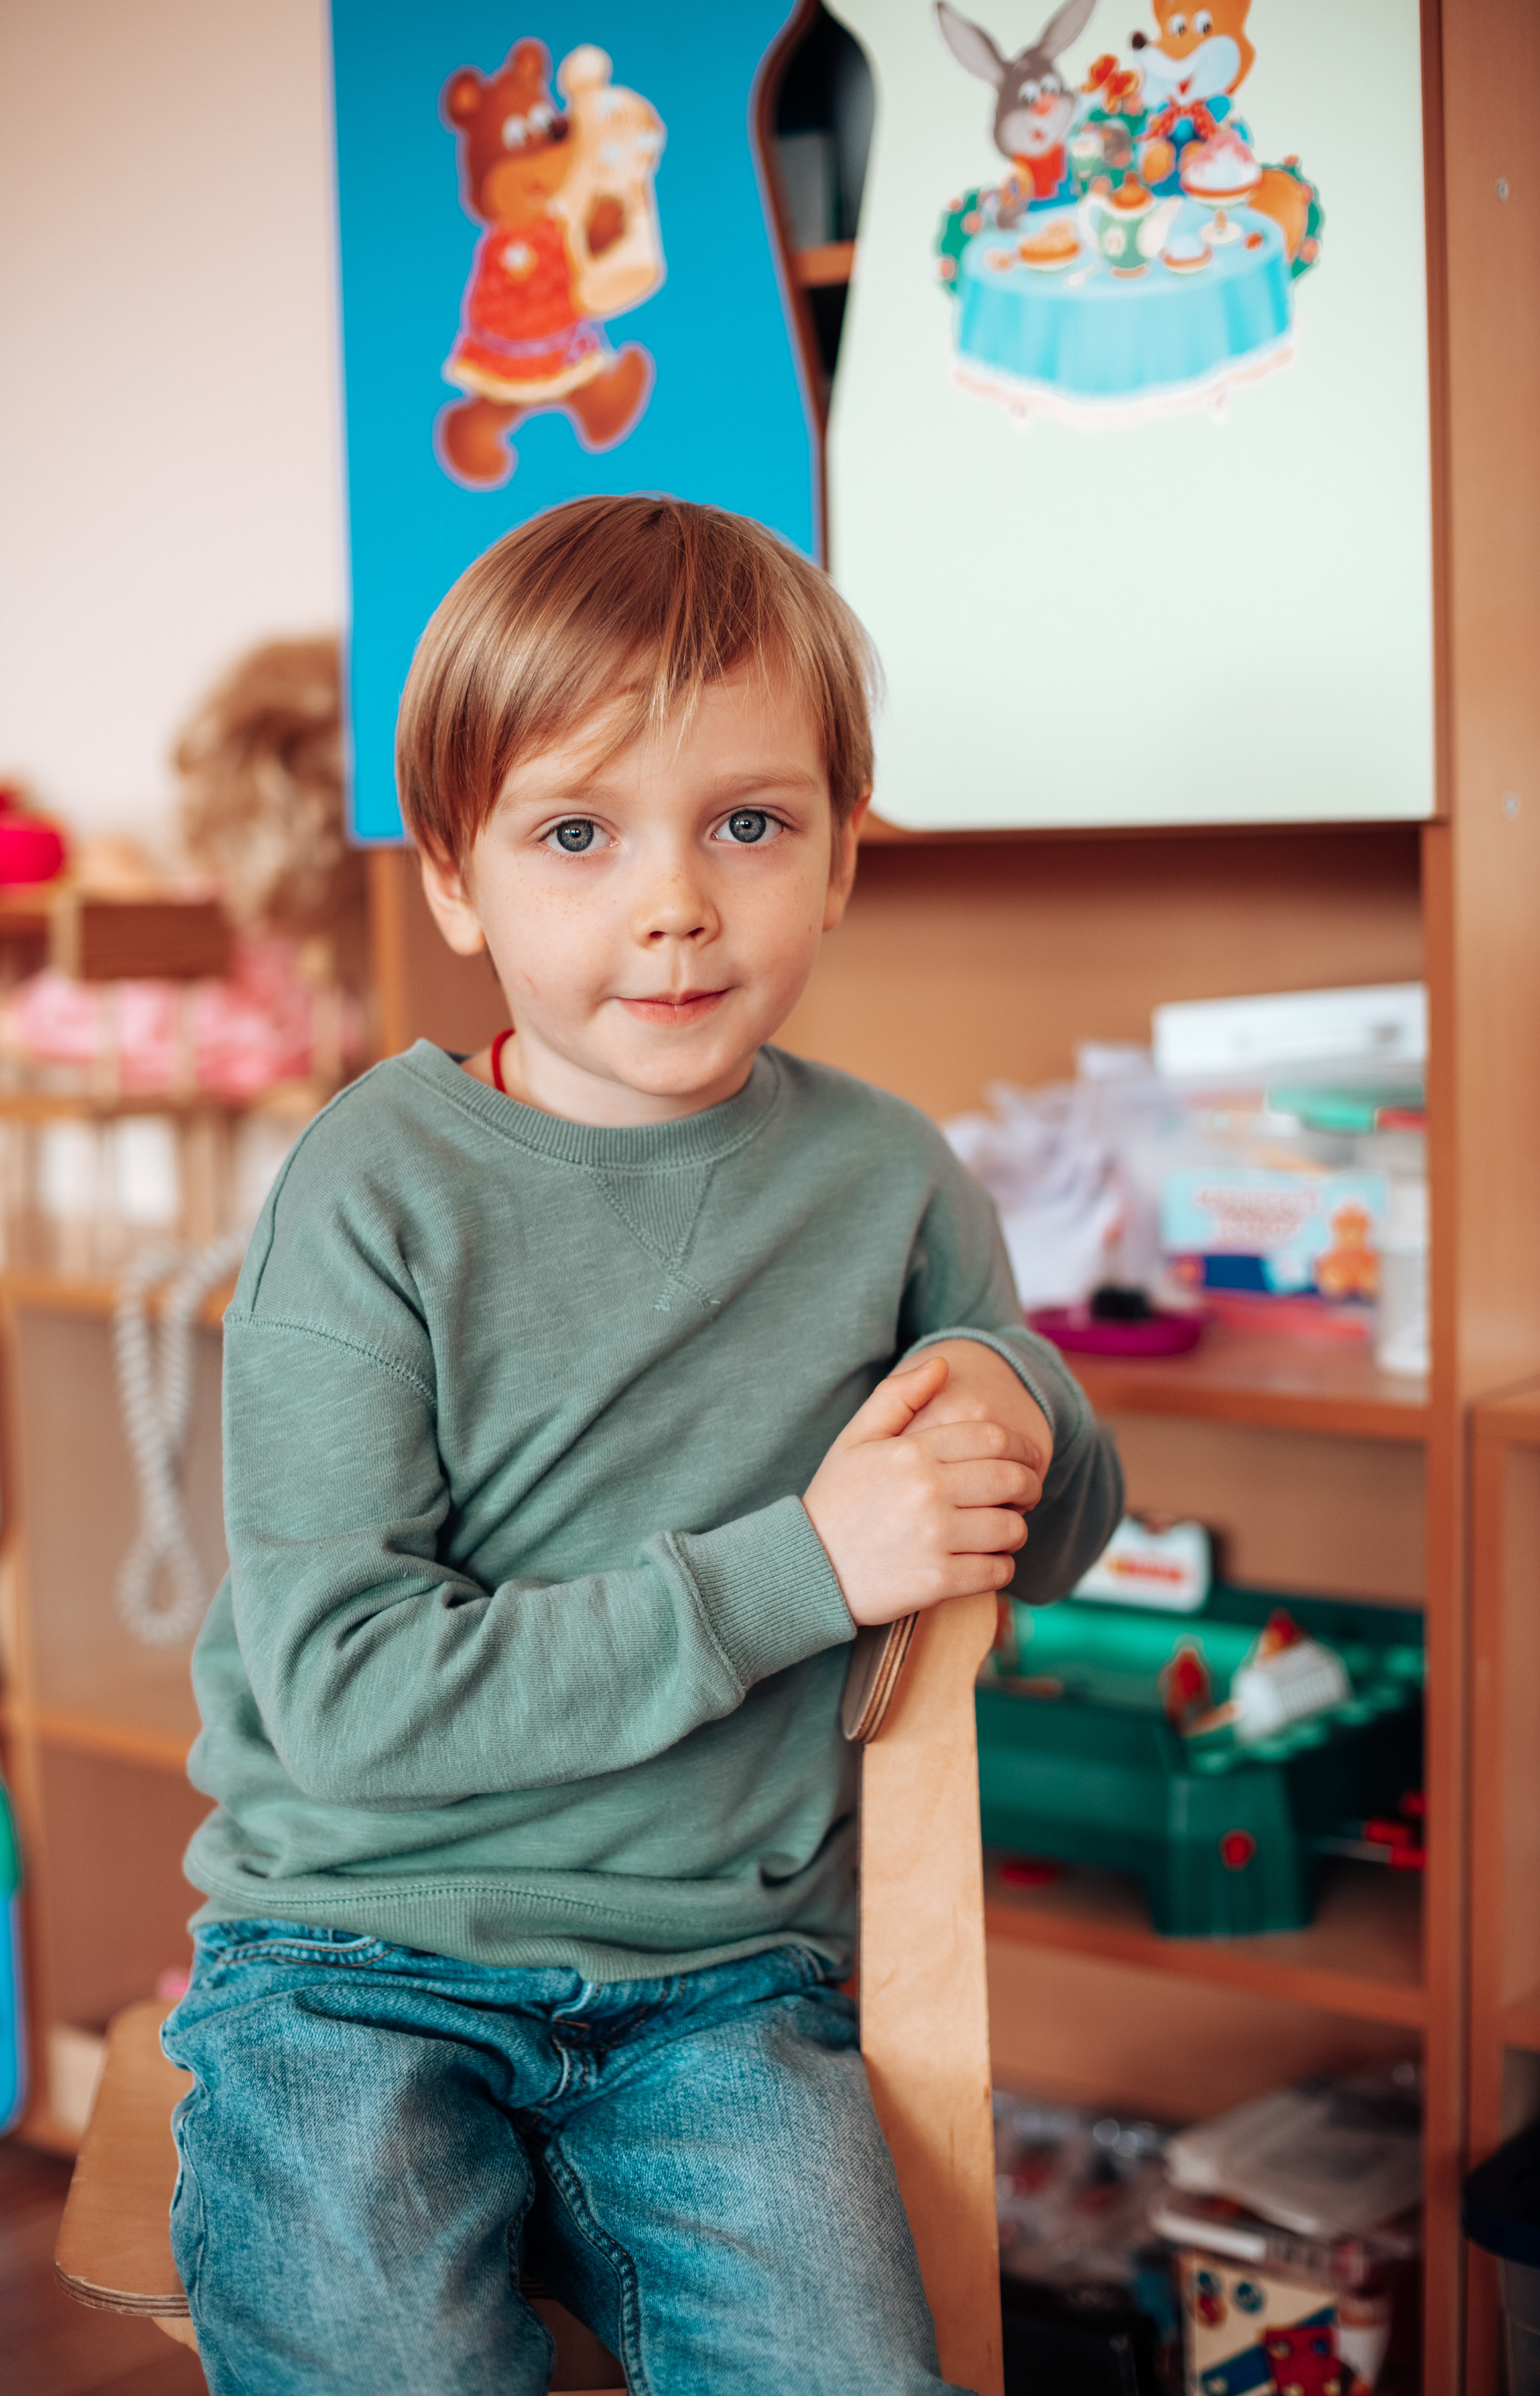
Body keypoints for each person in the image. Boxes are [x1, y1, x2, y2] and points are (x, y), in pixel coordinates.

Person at [165, 495, 1123, 2395]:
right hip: (353, 1959)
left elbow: (1049, 1531)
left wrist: (1025, 1401)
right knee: (385, 2365)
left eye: (750, 825)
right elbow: (351, 1697)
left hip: (725, 1991)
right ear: (455, 880)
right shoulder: (372, 1187)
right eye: (577, 834)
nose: (675, 902)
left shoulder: (889, 1181)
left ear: (843, 855)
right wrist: (807, 1569)